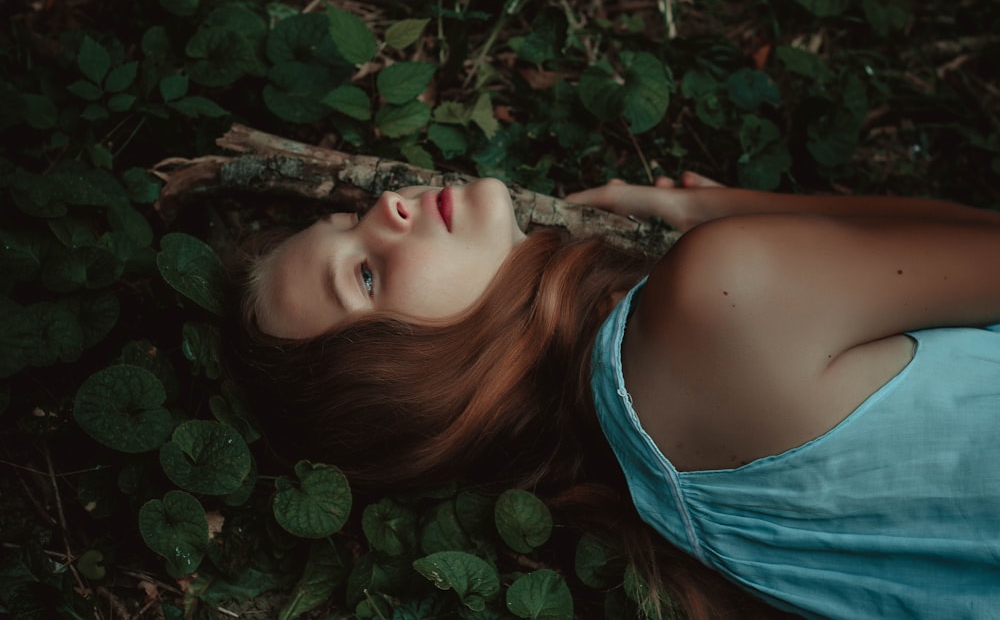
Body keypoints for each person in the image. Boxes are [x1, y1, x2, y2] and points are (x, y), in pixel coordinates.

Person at [227, 171, 1000, 619]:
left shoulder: (690, 522)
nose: (387, 203)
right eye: (363, 273)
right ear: (414, 385)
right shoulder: (720, 298)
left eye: (345, 217)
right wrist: (750, 220)